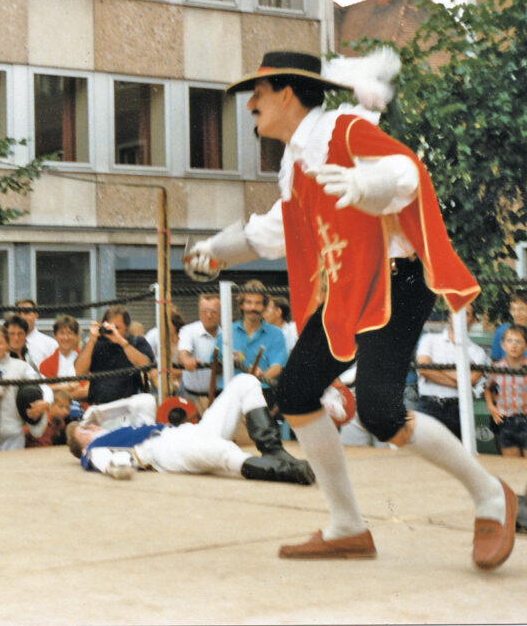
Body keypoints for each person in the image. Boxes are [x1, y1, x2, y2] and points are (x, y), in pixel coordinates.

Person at [185, 51, 515, 570]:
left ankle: (491, 495)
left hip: (396, 283)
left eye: (260, 92)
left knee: (382, 411)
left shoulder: (343, 128)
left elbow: (405, 171)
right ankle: (347, 527)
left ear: (287, 93)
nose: (251, 103)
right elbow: (274, 231)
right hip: (346, 286)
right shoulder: (296, 160)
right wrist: (216, 250)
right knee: (294, 392)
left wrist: (365, 187)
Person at [67, 374, 314, 486]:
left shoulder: (121, 429)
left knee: (245, 382)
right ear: (84, 445)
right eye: (85, 432)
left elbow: (145, 402)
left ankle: (274, 451)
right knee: (222, 451)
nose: (91, 428)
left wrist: (100, 411)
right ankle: (287, 472)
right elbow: (111, 466)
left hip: (186, 432)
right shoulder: (94, 450)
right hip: (165, 451)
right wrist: (114, 464)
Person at [415, 312, 489, 440]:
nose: (460, 317)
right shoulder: (429, 339)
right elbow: (423, 369)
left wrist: (437, 368)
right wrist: (461, 381)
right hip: (429, 406)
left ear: (474, 320)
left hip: (457, 410)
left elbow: (472, 380)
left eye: (466, 314)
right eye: (456, 312)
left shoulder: (478, 351)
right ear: (449, 316)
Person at [74, 305, 155, 406]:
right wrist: (91, 342)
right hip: (100, 404)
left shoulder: (137, 342)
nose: (113, 330)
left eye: (117, 327)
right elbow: (79, 372)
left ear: (126, 327)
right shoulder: (96, 344)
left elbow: (146, 365)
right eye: (110, 326)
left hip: (128, 405)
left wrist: (121, 342)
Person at [216, 281, 287, 392]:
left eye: (258, 303)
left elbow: (277, 366)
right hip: (229, 391)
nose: (253, 307)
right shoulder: (227, 331)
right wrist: (226, 361)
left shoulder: (276, 334)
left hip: (260, 391)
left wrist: (260, 377)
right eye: (249, 302)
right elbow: (213, 365)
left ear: (264, 306)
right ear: (241, 305)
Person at [485, 325, 527, 457]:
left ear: (525, 346)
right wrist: (491, 407)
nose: (513, 345)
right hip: (506, 422)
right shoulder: (496, 368)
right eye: (509, 341)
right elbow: (487, 388)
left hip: (525, 419)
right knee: (511, 465)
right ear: (503, 345)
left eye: (518, 341)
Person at [177, 294, 221, 403]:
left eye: (213, 311)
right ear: (199, 312)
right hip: (191, 397)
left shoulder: (228, 335)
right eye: (204, 311)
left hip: (220, 397)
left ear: (221, 314)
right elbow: (182, 352)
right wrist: (186, 359)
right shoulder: (188, 331)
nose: (209, 315)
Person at [39, 315, 89, 403]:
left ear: (76, 336)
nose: (66, 338)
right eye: (61, 333)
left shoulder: (85, 360)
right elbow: (43, 390)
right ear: (55, 336)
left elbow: (87, 390)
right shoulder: (45, 364)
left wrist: (58, 391)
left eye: (70, 333)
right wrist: (68, 387)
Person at [16, 299, 58, 368]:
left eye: (26, 312)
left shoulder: (51, 345)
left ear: (36, 315)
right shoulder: (7, 344)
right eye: (19, 313)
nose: (22, 317)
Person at [490, 290, 527, 361]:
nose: (517, 314)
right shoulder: (502, 331)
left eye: (521, 309)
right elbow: (495, 361)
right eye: (513, 309)